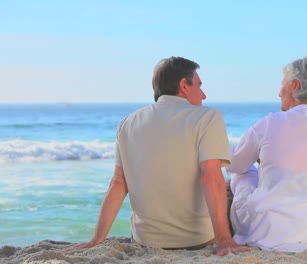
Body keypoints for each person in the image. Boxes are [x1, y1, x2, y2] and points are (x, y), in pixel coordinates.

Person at [66, 56, 248, 256]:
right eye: (198, 85)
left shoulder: (127, 123)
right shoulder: (207, 117)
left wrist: (97, 239)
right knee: (237, 186)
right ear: (183, 86)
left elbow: (118, 184)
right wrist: (223, 240)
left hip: (146, 240)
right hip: (197, 240)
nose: (203, 95)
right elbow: (211, 177)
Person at [226, 56, 307, 252]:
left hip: (272, 230)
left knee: (244, 173)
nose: (279, 92)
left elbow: (233, 165)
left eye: (282, 85)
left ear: (295, 85)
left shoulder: (270, 123)